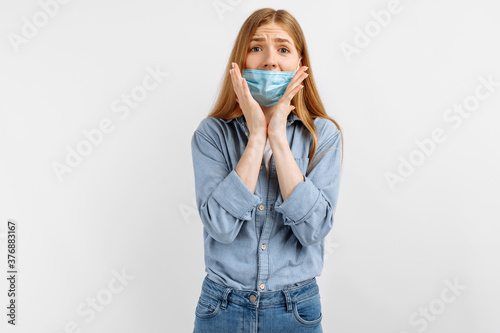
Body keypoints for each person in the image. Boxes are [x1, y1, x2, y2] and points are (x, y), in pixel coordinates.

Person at [191, 7, 343, 333]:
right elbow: (220, 226)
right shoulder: (211, 134)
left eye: (283, 49)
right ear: (240, 62)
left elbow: (314, 229)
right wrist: (256, 137)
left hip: (296, 311)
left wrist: (278, 136)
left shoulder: (324, 136)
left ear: (301, 65)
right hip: (222, 309)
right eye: (257, 47)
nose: (270, 61)